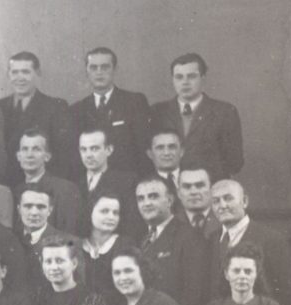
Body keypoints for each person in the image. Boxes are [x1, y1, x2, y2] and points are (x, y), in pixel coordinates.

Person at [150, 52, 244, 182]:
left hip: (209, 186)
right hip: (168, 186)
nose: (185, 82)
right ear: (172, 80)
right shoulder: (157, 111)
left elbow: (234, 162)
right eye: (179, 77)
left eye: (191, 76)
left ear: (203, 78)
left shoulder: (225, 112)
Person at [136, 176, 212, 305]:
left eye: (153, 196)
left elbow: (194, 295)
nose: (146, 203)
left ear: (170, 200)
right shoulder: (143, 239)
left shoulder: (189, 237)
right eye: (141, 198)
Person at [208, 179, 291, 304]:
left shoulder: (272, 240)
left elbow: (287, 291)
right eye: (216, 201)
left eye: (228, 198)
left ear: (244, 201)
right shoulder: (211, 240)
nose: (222, 205)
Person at [71, 46, 152, 177]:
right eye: (93, 67)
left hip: (127, 178)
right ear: (87, 71)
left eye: (105, 67)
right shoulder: (77, 109)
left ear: (115, 69)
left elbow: (143, 148)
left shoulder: (134, 102)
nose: (99, 72)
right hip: (91, 181)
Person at [0, 51, 77, 183]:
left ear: (38, 73)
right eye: (14, 72)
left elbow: (64, 156)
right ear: (8, 75)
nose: (20, 78)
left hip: (41, 186)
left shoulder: (56, 107)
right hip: (5, 184)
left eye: (26, 72)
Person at [14, 129, 83, 233]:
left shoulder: (65, 190)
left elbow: (69, 234)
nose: (29, 155)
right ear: (18, 156)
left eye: (36, 149)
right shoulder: (16, 191)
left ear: (47, 156)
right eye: (25, 149)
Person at [79, 128, 141, 235]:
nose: (88, 155)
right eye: (84, 149)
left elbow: (132, 225)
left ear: (109, 150)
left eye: (94, 149)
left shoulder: (127, 182)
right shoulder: (73, 184)